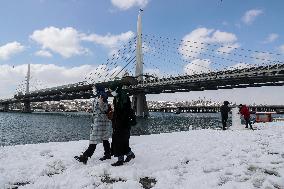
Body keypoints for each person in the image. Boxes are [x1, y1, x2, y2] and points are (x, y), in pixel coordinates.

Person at [74, 87, 112, 164]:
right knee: (105, 138)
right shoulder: (100, 97)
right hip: (102, 121)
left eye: (94, 89)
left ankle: (85, 156)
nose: (93, 90)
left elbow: (103, 108)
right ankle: (108, 154)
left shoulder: (102, 97)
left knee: (93, 139)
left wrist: (101, 102)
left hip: (99, 122)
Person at [110, 84, 135, 166]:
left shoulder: (123, 98)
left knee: (119, 141)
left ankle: (120, 160)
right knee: (122, 141)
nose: (111, 92)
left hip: (123, 124)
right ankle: (130, 154)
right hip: (118, 123)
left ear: (116, 89)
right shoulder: (116, 98)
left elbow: (127, 111)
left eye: (112, 90)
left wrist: (132, 119)